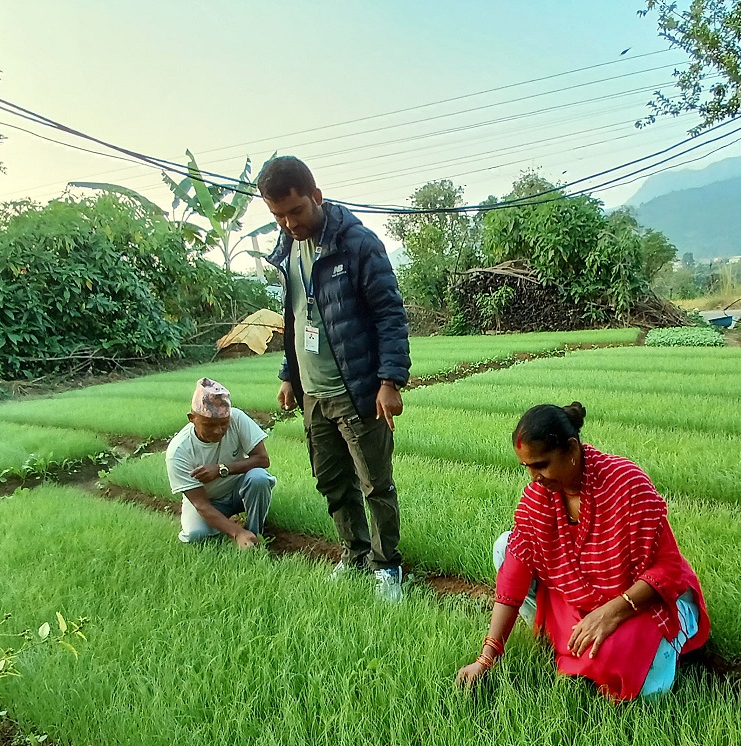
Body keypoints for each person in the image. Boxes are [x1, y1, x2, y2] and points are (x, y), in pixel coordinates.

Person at [455, 403, 710, 700]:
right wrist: (486, 658)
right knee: (505, 546)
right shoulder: (540, 497)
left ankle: (675, 637)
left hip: (642, 598)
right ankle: (561, 640)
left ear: (572, 449)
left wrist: (613, 612)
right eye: (527, 467)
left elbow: (668, 569)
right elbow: (514, 576)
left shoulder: (625, 483)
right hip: (581, 597)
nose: (534, 477)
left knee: (635, 680)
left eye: (542, 464)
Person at [257, 156, 411, 601]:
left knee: (374, 483)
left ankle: (388, 567)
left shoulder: (357, 244)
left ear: (316, 196)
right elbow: (294, 318)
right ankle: (354, 553)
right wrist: (289, 374)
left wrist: (390, 380)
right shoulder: (287, 251)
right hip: (313, 393)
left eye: (296, 211)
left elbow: (389, 314)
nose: (289, 223)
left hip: (357, 388)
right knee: (331, 482)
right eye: (279, 216)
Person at [165, 378, 275, 549]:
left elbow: (262, 459)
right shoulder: (179, 451)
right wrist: (236, 532)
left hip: (240, 491)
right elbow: (201, 505)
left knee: (259, 478)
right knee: (196, 535)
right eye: (209, 425)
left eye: (224, 424)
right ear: (192, 418)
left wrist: (221, 470)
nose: (218, 431)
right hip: (210, 501)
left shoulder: (237, 418)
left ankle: (255, 533)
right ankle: (237, 533)